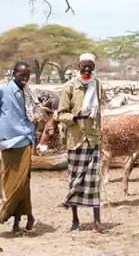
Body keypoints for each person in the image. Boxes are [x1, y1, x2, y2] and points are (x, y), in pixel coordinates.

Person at [56, 53, 109, 233]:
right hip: (75, 140)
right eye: (84, 65)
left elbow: (99, 113)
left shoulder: (97, 84)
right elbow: (60, 114)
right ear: (78, 65)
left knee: (94, 181)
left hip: (93, 139)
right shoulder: (69, 86)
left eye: (90, 66)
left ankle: (97, 222)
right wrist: (75, 116)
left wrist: (99, 135)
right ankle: (75, 220)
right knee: (75, 180)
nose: (87, 69)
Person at [0, 61, 37, 236]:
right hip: (8, 142)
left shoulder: (29, 92)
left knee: (24, 183)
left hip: (26, 140)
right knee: (11, 183)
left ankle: (16, 217)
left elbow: (33, 116)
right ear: (13, 73)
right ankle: (23, 217)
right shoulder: (1, 90)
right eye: (21, 75)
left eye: (27, 75)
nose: (25, 78)